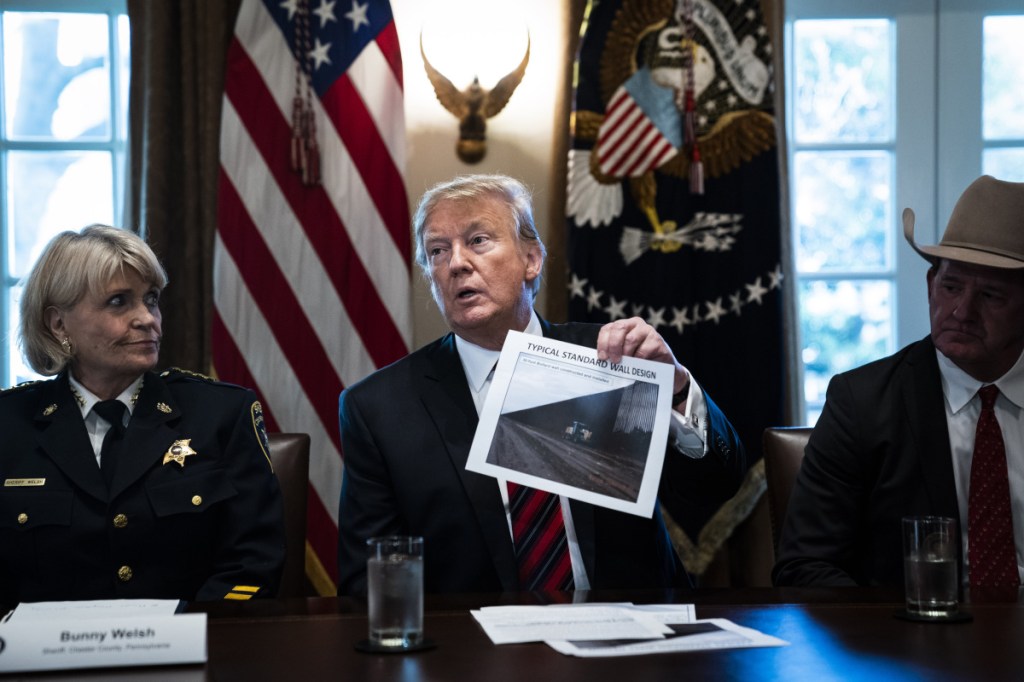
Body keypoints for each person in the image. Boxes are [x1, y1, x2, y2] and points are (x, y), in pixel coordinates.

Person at [337, 174, 746, 595]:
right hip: (473, 647)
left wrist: (676, 388)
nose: (456, 262)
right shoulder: (379, 408)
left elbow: (717, 485)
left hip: (632, 632)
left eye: (477, 240)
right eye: (438, 251)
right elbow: (366, 581)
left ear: (531, 259)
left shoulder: (614, 357)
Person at [0, 225, 285, 607]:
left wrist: (182, 641)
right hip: (39, 661)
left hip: (192, 653)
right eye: (119, 302)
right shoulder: (9, 424)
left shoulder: (220, 415)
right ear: (58, 324)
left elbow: (253, 563)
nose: (147, 319)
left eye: (150, 300)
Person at [774, 175, 1024, 588]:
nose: (962, 311)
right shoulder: (861, 402)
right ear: (930, 285)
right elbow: (805, 567)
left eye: (991, 296)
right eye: (950, 286)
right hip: (910, 639)